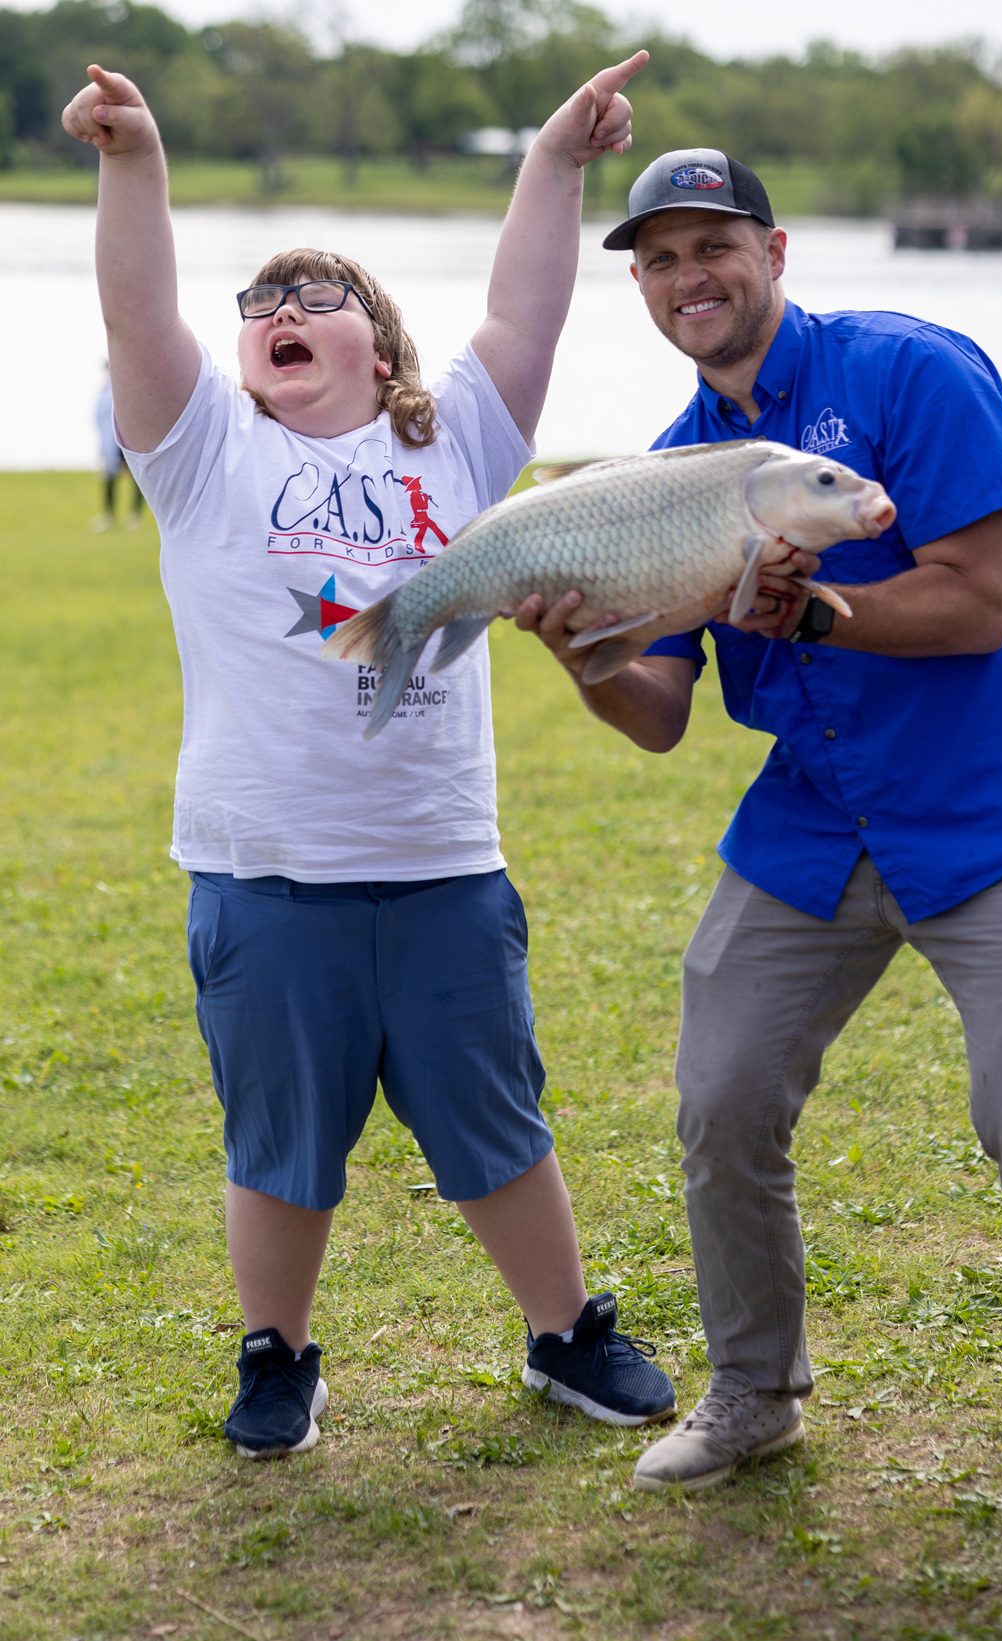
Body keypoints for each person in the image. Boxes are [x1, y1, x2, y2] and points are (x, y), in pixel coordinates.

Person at [60, 59, 676, 1461]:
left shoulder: (456, 443)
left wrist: (555, 157)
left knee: (497, 1121)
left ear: (381, 348)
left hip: (444, 868)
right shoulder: (203, 451)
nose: (279, 313)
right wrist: (133, 160)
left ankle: (567, 1332)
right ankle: (276, 1354)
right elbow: (137, 307)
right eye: (261, 305)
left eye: (316, 297)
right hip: (264, 876)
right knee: (279, 1143)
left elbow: (523, 307)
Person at [515, 146, 1002, 1498]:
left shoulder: (912, 370)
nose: (685, 277)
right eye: (657, 259)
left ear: (773, 254)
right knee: (719, 1094)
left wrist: (815, 606)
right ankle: (753, 1393)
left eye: (712, 246)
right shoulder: (666, 473)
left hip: (982, 806)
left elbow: (974, 604)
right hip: (813, 818)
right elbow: (656, 711)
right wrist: (576, 648)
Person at [92, 363, 144, 531]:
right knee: (109, 478)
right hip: (109, 441)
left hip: (127, 440)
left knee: (137, 478)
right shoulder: (104, 391)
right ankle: (109, 516)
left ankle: (135, 515)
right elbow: (99, 419)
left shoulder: (127, 386)